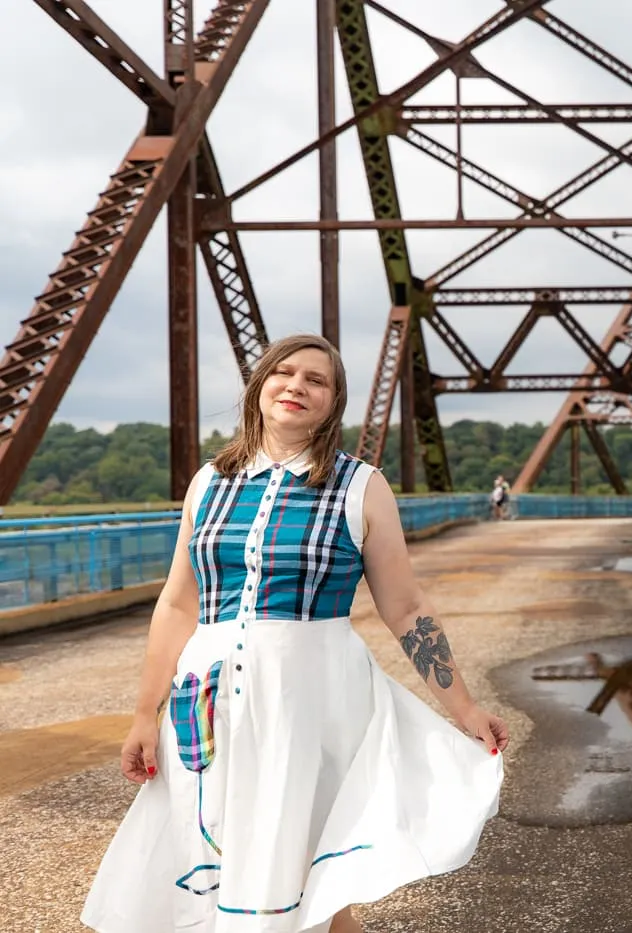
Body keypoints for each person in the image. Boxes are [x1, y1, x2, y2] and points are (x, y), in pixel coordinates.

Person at [81, 334, 508, 933]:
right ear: (259, 389)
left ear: (334, 403)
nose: (296, 387)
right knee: (209, 856)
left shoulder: (361, 486)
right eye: (283, 374)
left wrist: (463, 708)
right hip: (209, 698)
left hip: (312, 701)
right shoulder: (210, 482)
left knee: (308, 875)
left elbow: (407, 607)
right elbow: (178, 604)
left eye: (316, 380)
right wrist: (142, 715)